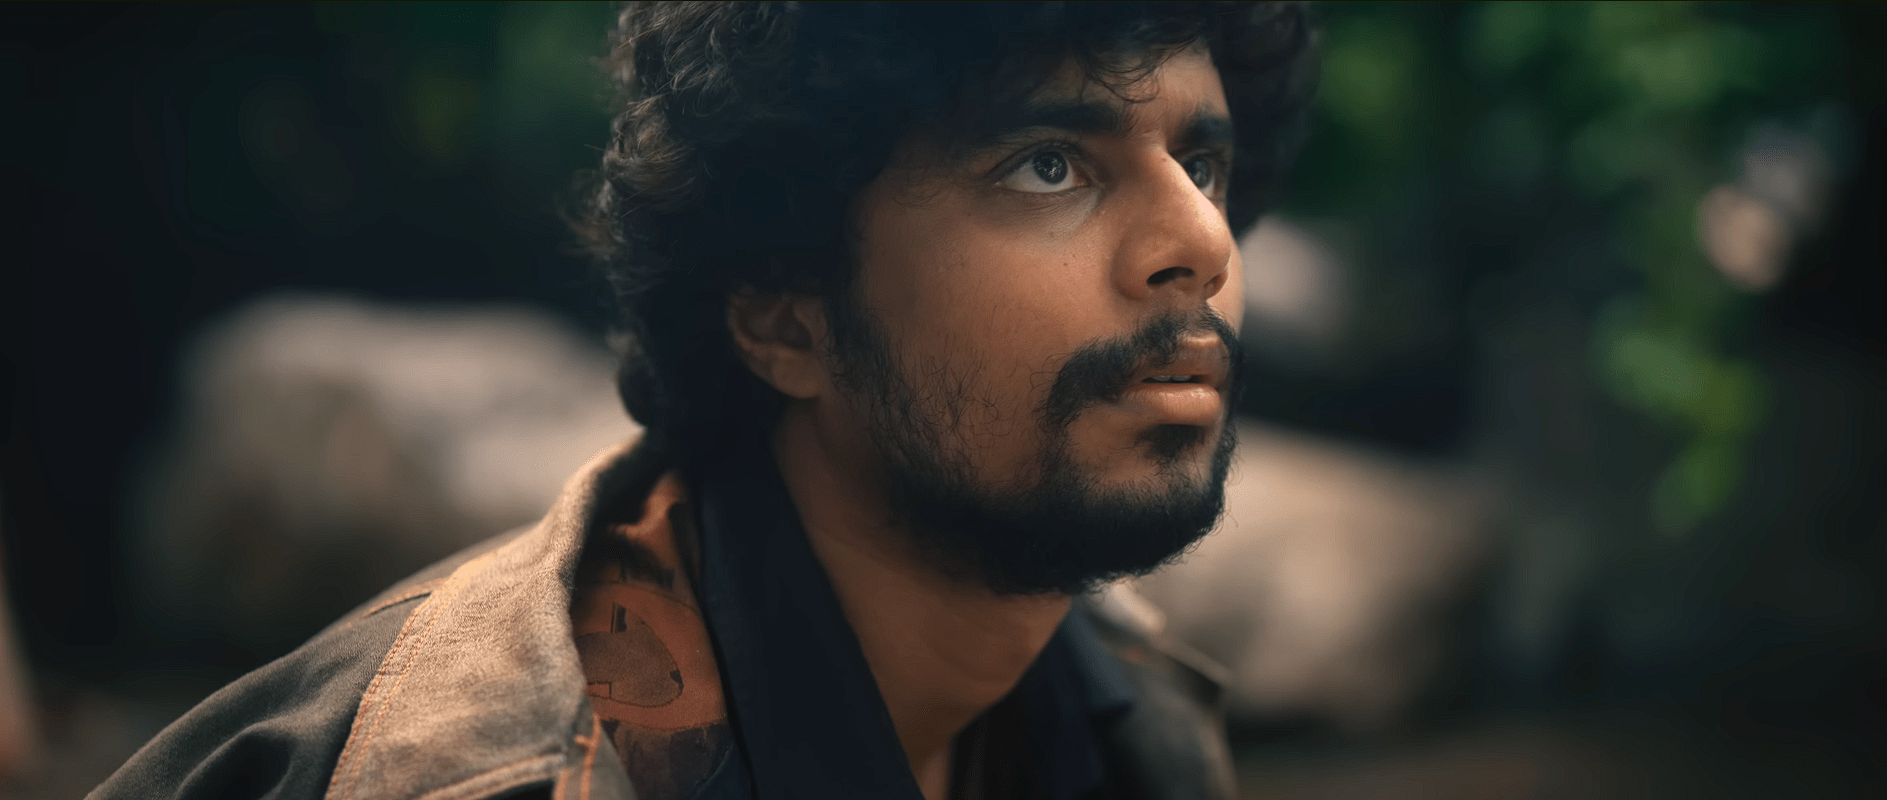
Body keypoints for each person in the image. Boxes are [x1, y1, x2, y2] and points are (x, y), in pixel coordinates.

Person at [94, 3, 1316, 798]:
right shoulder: (490, 775)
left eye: (1201, 163)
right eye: (1051, 165)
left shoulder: (1129, 714)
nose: (1202, 239)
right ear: (786, 314)